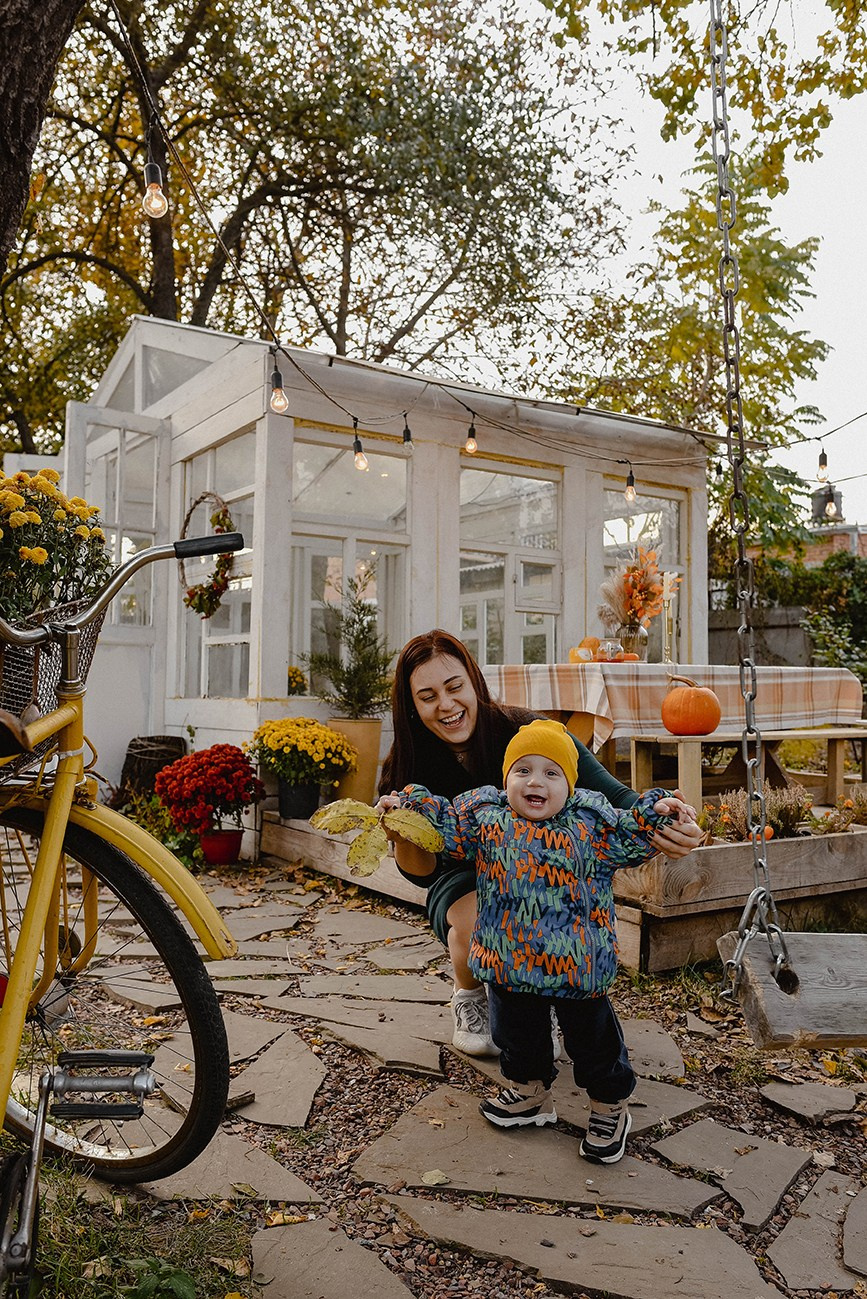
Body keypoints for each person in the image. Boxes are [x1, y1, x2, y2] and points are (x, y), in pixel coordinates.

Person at [377, 630, 704, 1056]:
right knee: (481, 919)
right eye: (428, 696)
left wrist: (664, 820)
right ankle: (469, 996)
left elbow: (614, 797)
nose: (446, 704)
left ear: (474, 682)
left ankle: (535, 1002)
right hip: (461, 877)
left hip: (542, 868)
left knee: (551, 919)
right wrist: (403, 835)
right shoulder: (407, 767)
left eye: (455, 687)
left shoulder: (530, 734)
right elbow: (420, 875)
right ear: (412, 706)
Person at [384, 718, 695, 1164]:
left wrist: (660, 812)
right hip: (510, 960)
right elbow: (444, 822)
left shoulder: (592, 825)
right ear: (506, 779)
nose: (535, 781)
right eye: (523, 770)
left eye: (551, 773)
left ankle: (609, 1106)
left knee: (592, 1042)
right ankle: (530, 1093)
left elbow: (634, 831)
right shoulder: (486, 819)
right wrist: (407, 805)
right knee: (517, 1035)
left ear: (569, 785)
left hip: (577, 965)